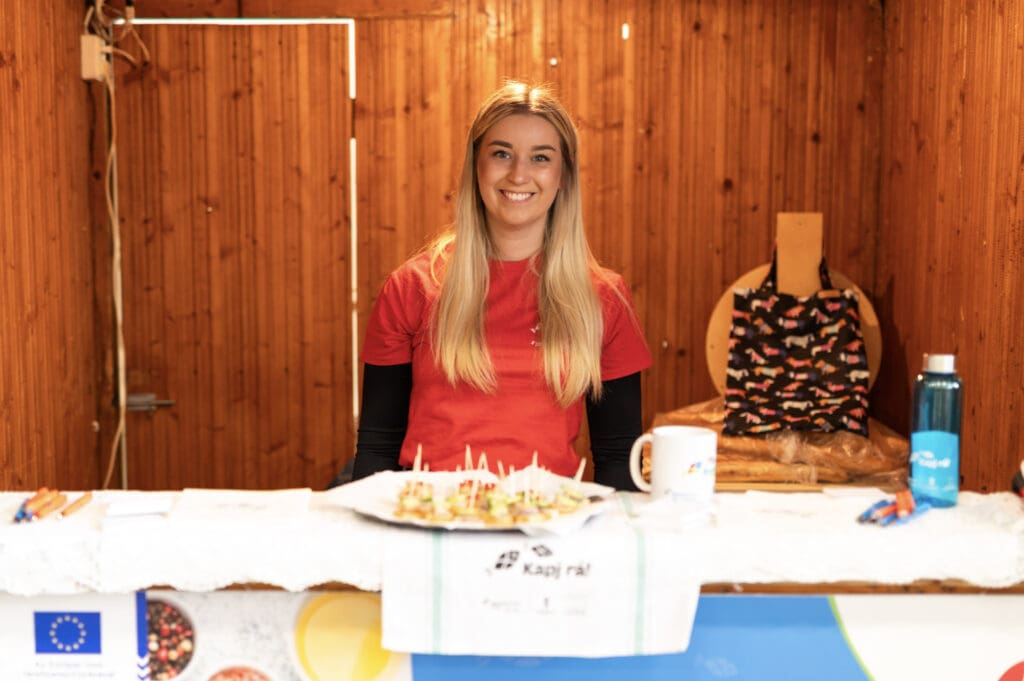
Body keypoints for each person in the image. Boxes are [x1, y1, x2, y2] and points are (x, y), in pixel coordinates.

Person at [347, 80, 651, 490]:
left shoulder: (603, 298)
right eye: (502, 153)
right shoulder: (411, 287)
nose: (519, 174)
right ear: (476, 166)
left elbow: (618, 458)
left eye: (540, 157)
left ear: (563, 175)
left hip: (544, 519)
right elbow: (377, 447)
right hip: (430, 516)